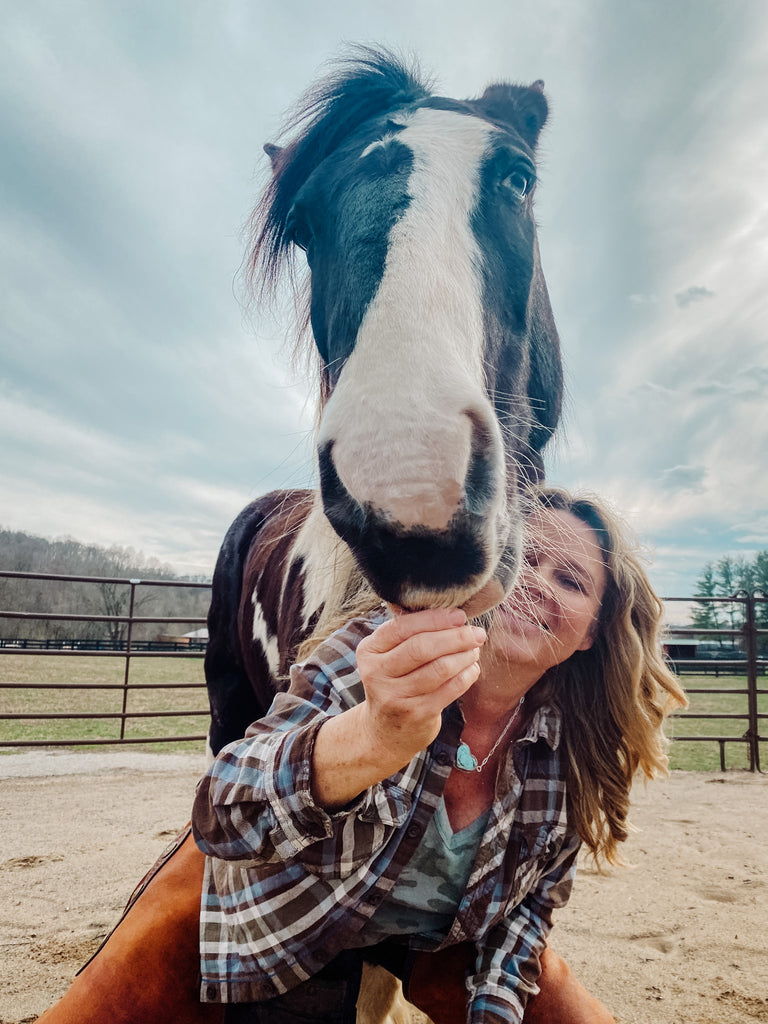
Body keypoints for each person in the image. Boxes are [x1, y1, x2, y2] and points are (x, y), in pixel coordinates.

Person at [191, 486, 687, 1023]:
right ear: (483, 573)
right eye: (522, 557)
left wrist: (492, 1013)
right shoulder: (380, 657)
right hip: (297, 923)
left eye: (569, 580)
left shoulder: (572, 749)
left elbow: (528, 911)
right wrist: (371, 737)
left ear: (592, 631)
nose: (537, 583)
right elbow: (219, 815)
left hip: (438, 939)